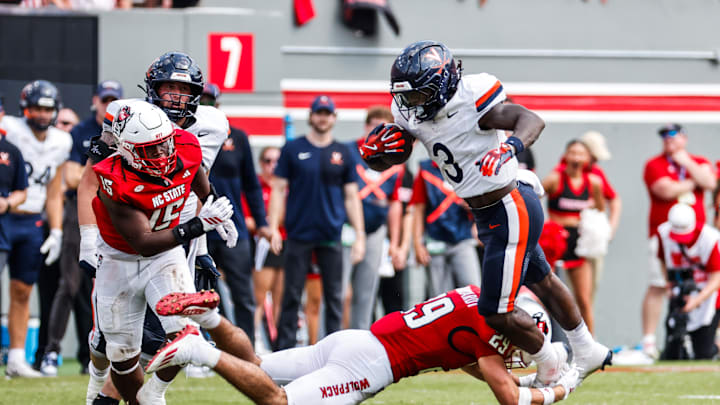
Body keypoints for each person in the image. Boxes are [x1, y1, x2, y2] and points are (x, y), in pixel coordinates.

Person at [359, 40, 611, 385]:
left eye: (420, 94)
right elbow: (399, 150)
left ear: (444, 82)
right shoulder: (410, 109)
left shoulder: (472, 98)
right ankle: (587, 349)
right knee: (544, 281)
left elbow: (530, 119)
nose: (413, 104)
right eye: (409, 97)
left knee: (495, 311)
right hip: (488, 212)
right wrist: (375, 154)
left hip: (509, 206)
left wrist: (510, 147)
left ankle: (551, 362)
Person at [80, 52, 234, 404]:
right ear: (152, 89)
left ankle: (144, 397)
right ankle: (101, 387)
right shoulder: (124, 115)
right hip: (128, 235)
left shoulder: (207, 128)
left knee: (171, 338)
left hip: (177, 242)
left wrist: (206, 240)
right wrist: (88, 239)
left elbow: (197, 180)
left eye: (185, 90)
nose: (178, 98)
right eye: (170, 89)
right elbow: (91, 178)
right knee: (113, 348)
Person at [147, 286, 581, 405]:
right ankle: (197, 349)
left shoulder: (475, 301)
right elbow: (509, 399)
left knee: (258, 364)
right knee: (279, 402)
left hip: (357, 338)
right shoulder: (490, 335)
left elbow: (464, 356)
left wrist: (523, 376)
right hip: (372, 365)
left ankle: (207, 318)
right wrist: (564, 386)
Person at [269, 95, 366, 350]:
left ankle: (334, 353)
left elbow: (351, 197)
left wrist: (360, 236)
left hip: (331, 234)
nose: (323, 117)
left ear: (334, 118)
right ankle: (283, 353)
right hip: (298, 233)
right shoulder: (292, 149)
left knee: (334, 297)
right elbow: (278, 189)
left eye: (327, 113)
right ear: (311, 116)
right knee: (291, 296)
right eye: (319, 113)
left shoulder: (343, 152)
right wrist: (273, 228)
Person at [40, 80, 123, 376]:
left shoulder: (128, 129)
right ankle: (51, 351)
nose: (107, 104)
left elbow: (90, 175)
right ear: (95, 101)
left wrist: (99, 176)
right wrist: (110, 177)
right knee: (70, 283)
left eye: (113, 100)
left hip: (115, 212)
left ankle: (96, 354)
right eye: (104, 99)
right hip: (82, 211)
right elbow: (75, 177)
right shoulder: (80, 131)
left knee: (102, 288)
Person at [0, 80, 72, 378]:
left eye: (47, 109)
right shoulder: (11, 130)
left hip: (32, 221)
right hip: (5, 215)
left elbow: (54, 191)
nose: (42, 114)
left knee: (22, 290)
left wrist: (56, 231)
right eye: (36, 108)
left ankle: (17, 359)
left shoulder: (60, 141)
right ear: (24, 108)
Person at [202, 82, 271, 342]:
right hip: (200, 228)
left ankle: (246, 349)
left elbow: (252, 184)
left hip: (234, 227)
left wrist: (262, 222)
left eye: (210, 100)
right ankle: (205, 347)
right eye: (201, 100)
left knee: (243, 294)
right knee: (201, 293)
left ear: (218, 105)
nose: (205, 104)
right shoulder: (186, 136)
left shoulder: (237, 137)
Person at [641, 123, 716, 359]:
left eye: (673, 135)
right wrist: (694, 181)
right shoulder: (655, 164)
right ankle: (649, 341)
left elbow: (711, 183)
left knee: (707, 284)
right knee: (661, 284)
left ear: (684, 137)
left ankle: (710, 337)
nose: (668, 140)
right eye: (664, 136)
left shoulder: (697, 160)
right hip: (665, 235)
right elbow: (665, 190)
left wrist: (686, 164)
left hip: (698, 237)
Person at [342, 106, 406, 329]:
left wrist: (395, 242)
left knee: (366, 291)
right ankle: (328, 337)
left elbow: (395, 203)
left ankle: (359, 337)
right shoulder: (348, 151)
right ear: (366, 126)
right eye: (374, 126)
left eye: (383, 128)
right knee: (339, 290)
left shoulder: (395, 161)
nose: (378, 132)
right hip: (346, 228)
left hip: (376, 230)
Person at [542, 139, 605, 334]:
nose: (576, 158)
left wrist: (596, 231)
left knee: (584, 299)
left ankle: (590, 345)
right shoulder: (554, 179)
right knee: (548, 298)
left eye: (581, 154)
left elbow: (600, 209)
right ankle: (545, 343)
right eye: (573, 153)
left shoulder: (593, 183)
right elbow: (533, 197)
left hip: (579, 244)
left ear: (588, 159)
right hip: (555, 241)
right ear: (566, 156)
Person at [655, 203, 720, 360]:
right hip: (680, 294)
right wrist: (669, 285)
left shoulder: (710, 239)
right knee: (672, 351)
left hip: (706, 297)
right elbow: (664, 261)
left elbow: (716, 276)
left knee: (702, 352)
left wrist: (696, 300)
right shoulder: (663, 233)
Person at [410, 158, 481, 296]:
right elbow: (418, 208)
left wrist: (474, 210)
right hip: (435, 240)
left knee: (473, 291)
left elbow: (484, 201)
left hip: (463, 238)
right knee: (439, 296)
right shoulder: (426, 169)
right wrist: (418, 244)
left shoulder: (468, 165)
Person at [0, 98, 29, 341]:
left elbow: (22, 190)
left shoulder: (11, 150)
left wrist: (7, 203)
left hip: (3, 229)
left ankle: (15, 355)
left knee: (19, 289)